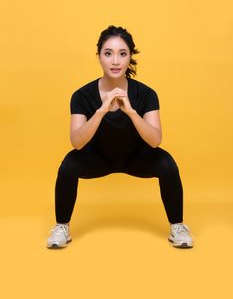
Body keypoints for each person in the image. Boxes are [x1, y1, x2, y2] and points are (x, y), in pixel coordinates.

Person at [47, 25, 193, 249]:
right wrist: (102, 110)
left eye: (122, 54)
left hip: (135, 157)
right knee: (69, 164)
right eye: (108, 53)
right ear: (99, 57)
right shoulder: (82, 95)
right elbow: (77, 142)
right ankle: (61, 227)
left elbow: (155, 140)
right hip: (98, 159)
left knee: (167, 163)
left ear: (130, 57)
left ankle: (178, 227)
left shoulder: (146, 94)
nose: (115, 61)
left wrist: (131, 111)